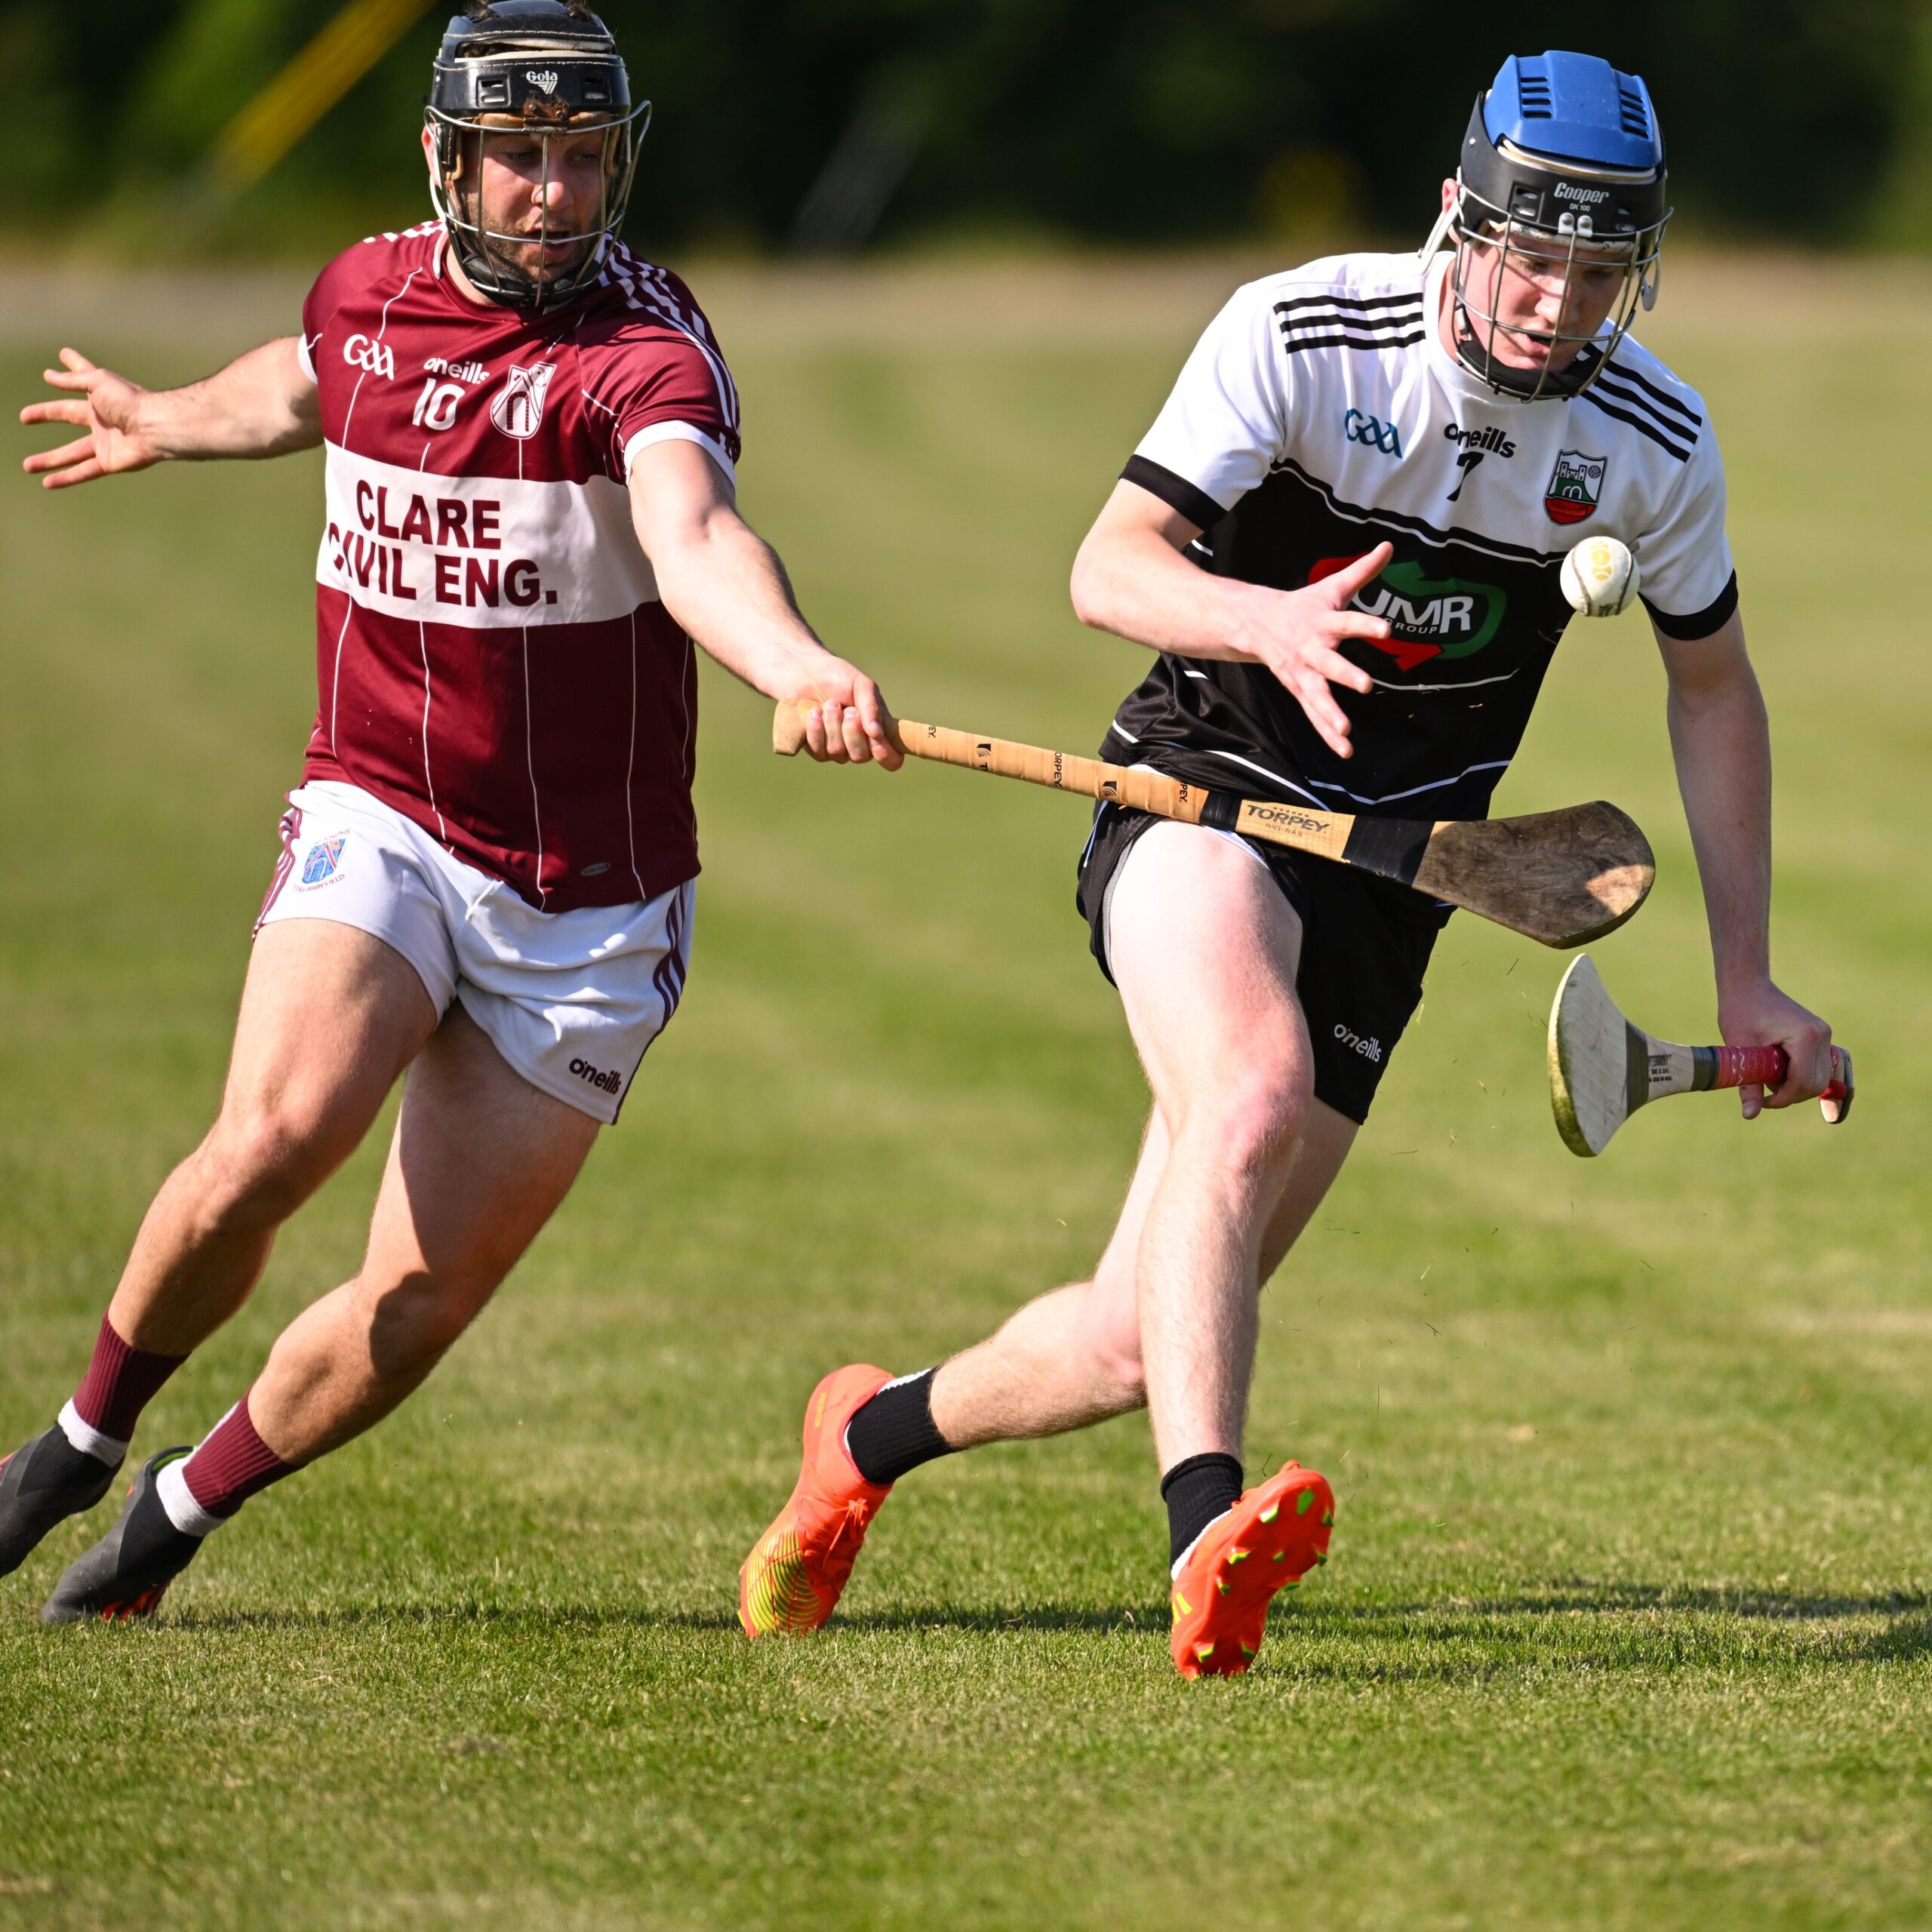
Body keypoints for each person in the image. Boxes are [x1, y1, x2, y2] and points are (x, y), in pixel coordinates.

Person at [737, 50, 1836, 1678]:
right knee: (1247, 1093)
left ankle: (861, 1437)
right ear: (1458, 217)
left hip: (1396, 877)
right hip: (1201, 794)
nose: (1557, 303)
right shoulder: (1305, 333)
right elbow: (1109, 566)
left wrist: (1747, 975)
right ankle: (1204, 1538)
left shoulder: (1650, 438)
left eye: (1599, 270)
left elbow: (1713, 688)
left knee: (1132, 1334)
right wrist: (1262, 620)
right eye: (1530, 256)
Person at [2, 0, 898, 1623]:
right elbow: (300, 386)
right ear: (446, 160)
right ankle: (77, 1437)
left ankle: (176, 1510)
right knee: (273, 1138)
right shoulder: (366, 292)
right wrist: (164, 420)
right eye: (518, 158)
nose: (553, 192)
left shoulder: (643, 355)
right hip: (387, 809)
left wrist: (795, 661)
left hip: (593, 898)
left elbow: (692, 534)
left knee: (418, 1297)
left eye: (582, 157)